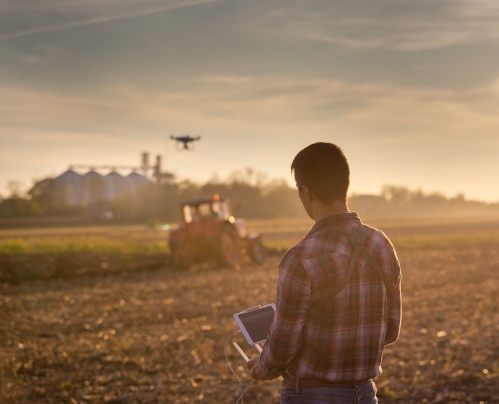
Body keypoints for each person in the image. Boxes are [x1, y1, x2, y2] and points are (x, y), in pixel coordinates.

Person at [247, 142, 402, 403]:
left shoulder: (301, 257)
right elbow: (391, 330)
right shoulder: (381, 244)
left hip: (309, 395)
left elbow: (283, 345)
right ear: (345, 184)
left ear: (305, 192)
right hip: (365, 394)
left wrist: (263, 366)